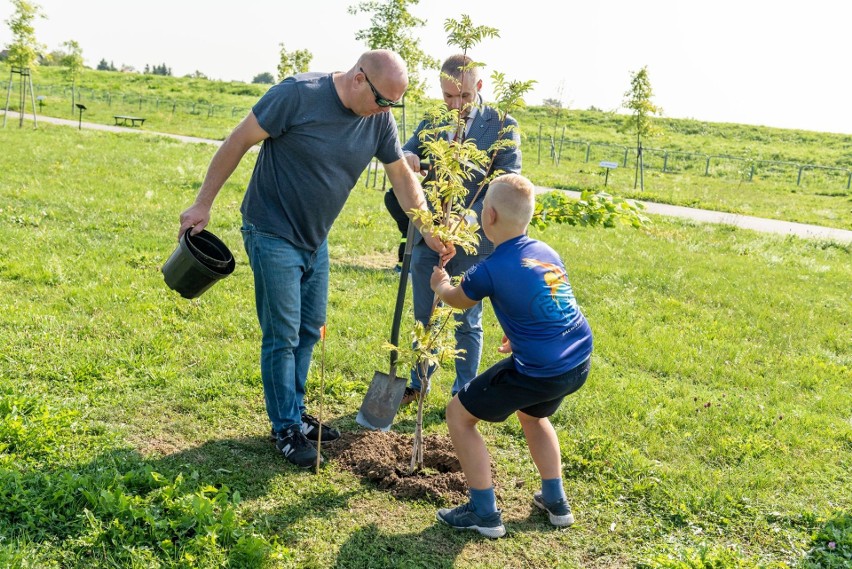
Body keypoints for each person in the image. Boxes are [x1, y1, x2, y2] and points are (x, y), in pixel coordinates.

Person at [177, 50, 453, 469]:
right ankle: (284, 427)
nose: (386, 111)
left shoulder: (379, 118)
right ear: (359, 78)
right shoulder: (296, 95)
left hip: (315, 239)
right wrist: (202, 203)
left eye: (394, 104)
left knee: (309, 330)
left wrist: (430, 228)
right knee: (282, 333)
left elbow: (402, 177)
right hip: (270, 230)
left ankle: (296, 414)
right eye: (383, 100)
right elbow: (238, 140)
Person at [429, 174, 592, 538]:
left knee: (458, 414)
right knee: (533, 415)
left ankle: (484, 513)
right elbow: (548, 301)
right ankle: (556, 502)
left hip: (539, 369)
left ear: (488, 217)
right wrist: (519, 333)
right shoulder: (546, 252)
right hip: (577, 360)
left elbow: (458, 300)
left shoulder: (489, 268)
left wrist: (441, 284)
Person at [396, 53, 522, 406]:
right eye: (448, 96)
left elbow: (506, 181)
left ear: (478, 87)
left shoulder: (502, 125)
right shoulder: (433, 120)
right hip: (428, 236)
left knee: (467, 319)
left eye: (464, 96)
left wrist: (465, 220)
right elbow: (406, 151)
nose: (456, 105)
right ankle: (418, 383)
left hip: (473, 242)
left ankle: (463, 391)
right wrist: (409, 158)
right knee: (425, 314)